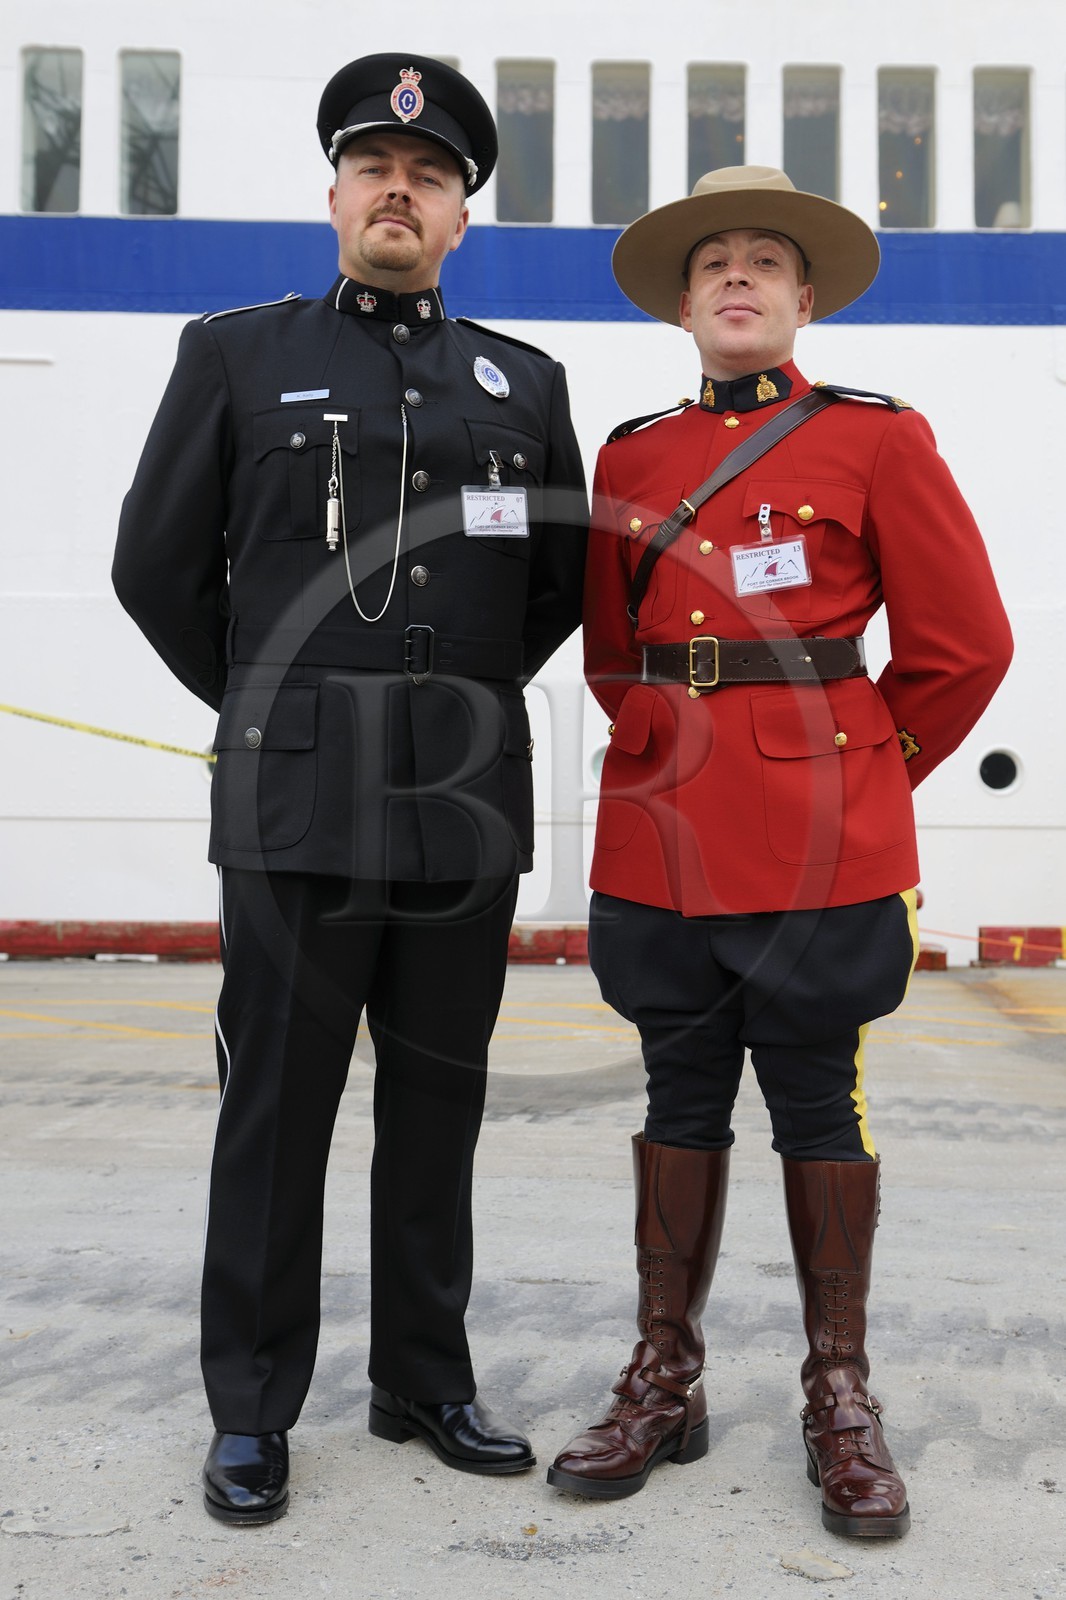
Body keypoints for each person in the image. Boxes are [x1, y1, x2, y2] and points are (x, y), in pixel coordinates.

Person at [113, 53, 586, 1525]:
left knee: (438, 1104)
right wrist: (278, 710)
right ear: (335, 195)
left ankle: (422, 1379)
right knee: (278, 1109)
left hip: (459, 801)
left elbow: (554, 586)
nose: (402, 189)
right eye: (378, 168)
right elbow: (155, 568)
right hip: (296, 798)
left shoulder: (525, 382)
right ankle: (252, 1409)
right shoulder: (237, 355)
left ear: (459, 219)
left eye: (431, 175)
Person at [547, 166, 1011, 1536]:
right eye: (712, 266)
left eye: (763, 262)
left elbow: (961, 646)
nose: (737, 279)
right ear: (684, 305)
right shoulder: (628, 456)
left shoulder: (875, 439)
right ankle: (665, 1373)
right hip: (665, 824)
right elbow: (609, 653)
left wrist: (862, 766)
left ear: (803, 298)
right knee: (674, 1092)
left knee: (816, 1099)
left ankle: (837, 1390)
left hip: (822, 827)